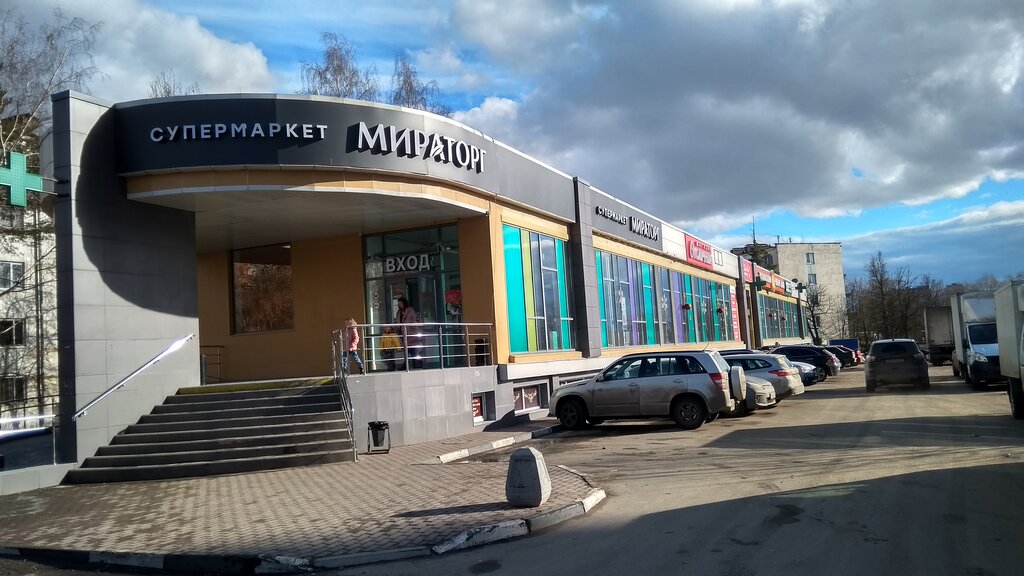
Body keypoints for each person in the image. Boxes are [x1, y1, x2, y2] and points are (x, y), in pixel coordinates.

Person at [395, 297, 421, 369]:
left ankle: (407, 365)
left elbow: (414, 319)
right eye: (398, 303)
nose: (399, 305)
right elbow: (398, 322)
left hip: (411, 333)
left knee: (410, 350)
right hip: (403, 334)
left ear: (404, 303)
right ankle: (416, 364)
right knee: (410, 350)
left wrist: (412, 326)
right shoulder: (399, 313)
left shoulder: (410, 310)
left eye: (400, 303)